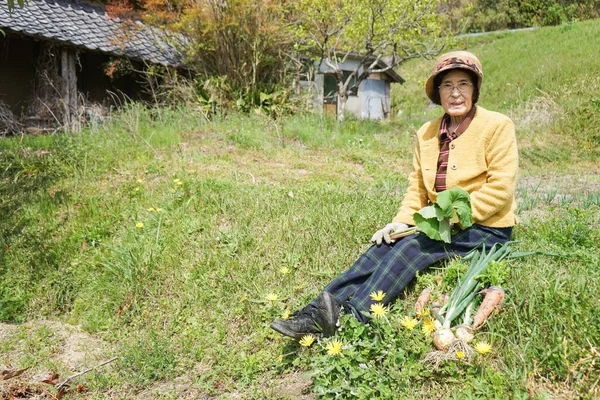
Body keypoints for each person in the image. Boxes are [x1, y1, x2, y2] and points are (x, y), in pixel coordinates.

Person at [270, 51, 518, 340]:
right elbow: (417, 187)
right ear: (437, 93)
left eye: (463, 84)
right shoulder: (427, 132)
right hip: (438, 223)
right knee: (384, 246)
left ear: (474, 88)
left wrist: (451, 219)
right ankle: (315, 314)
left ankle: (352, 318)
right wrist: (401, 222)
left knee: (412, 248)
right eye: (447, 85)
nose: (455, 93)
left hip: (485, 227)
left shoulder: (497, 126)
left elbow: (500, 190)